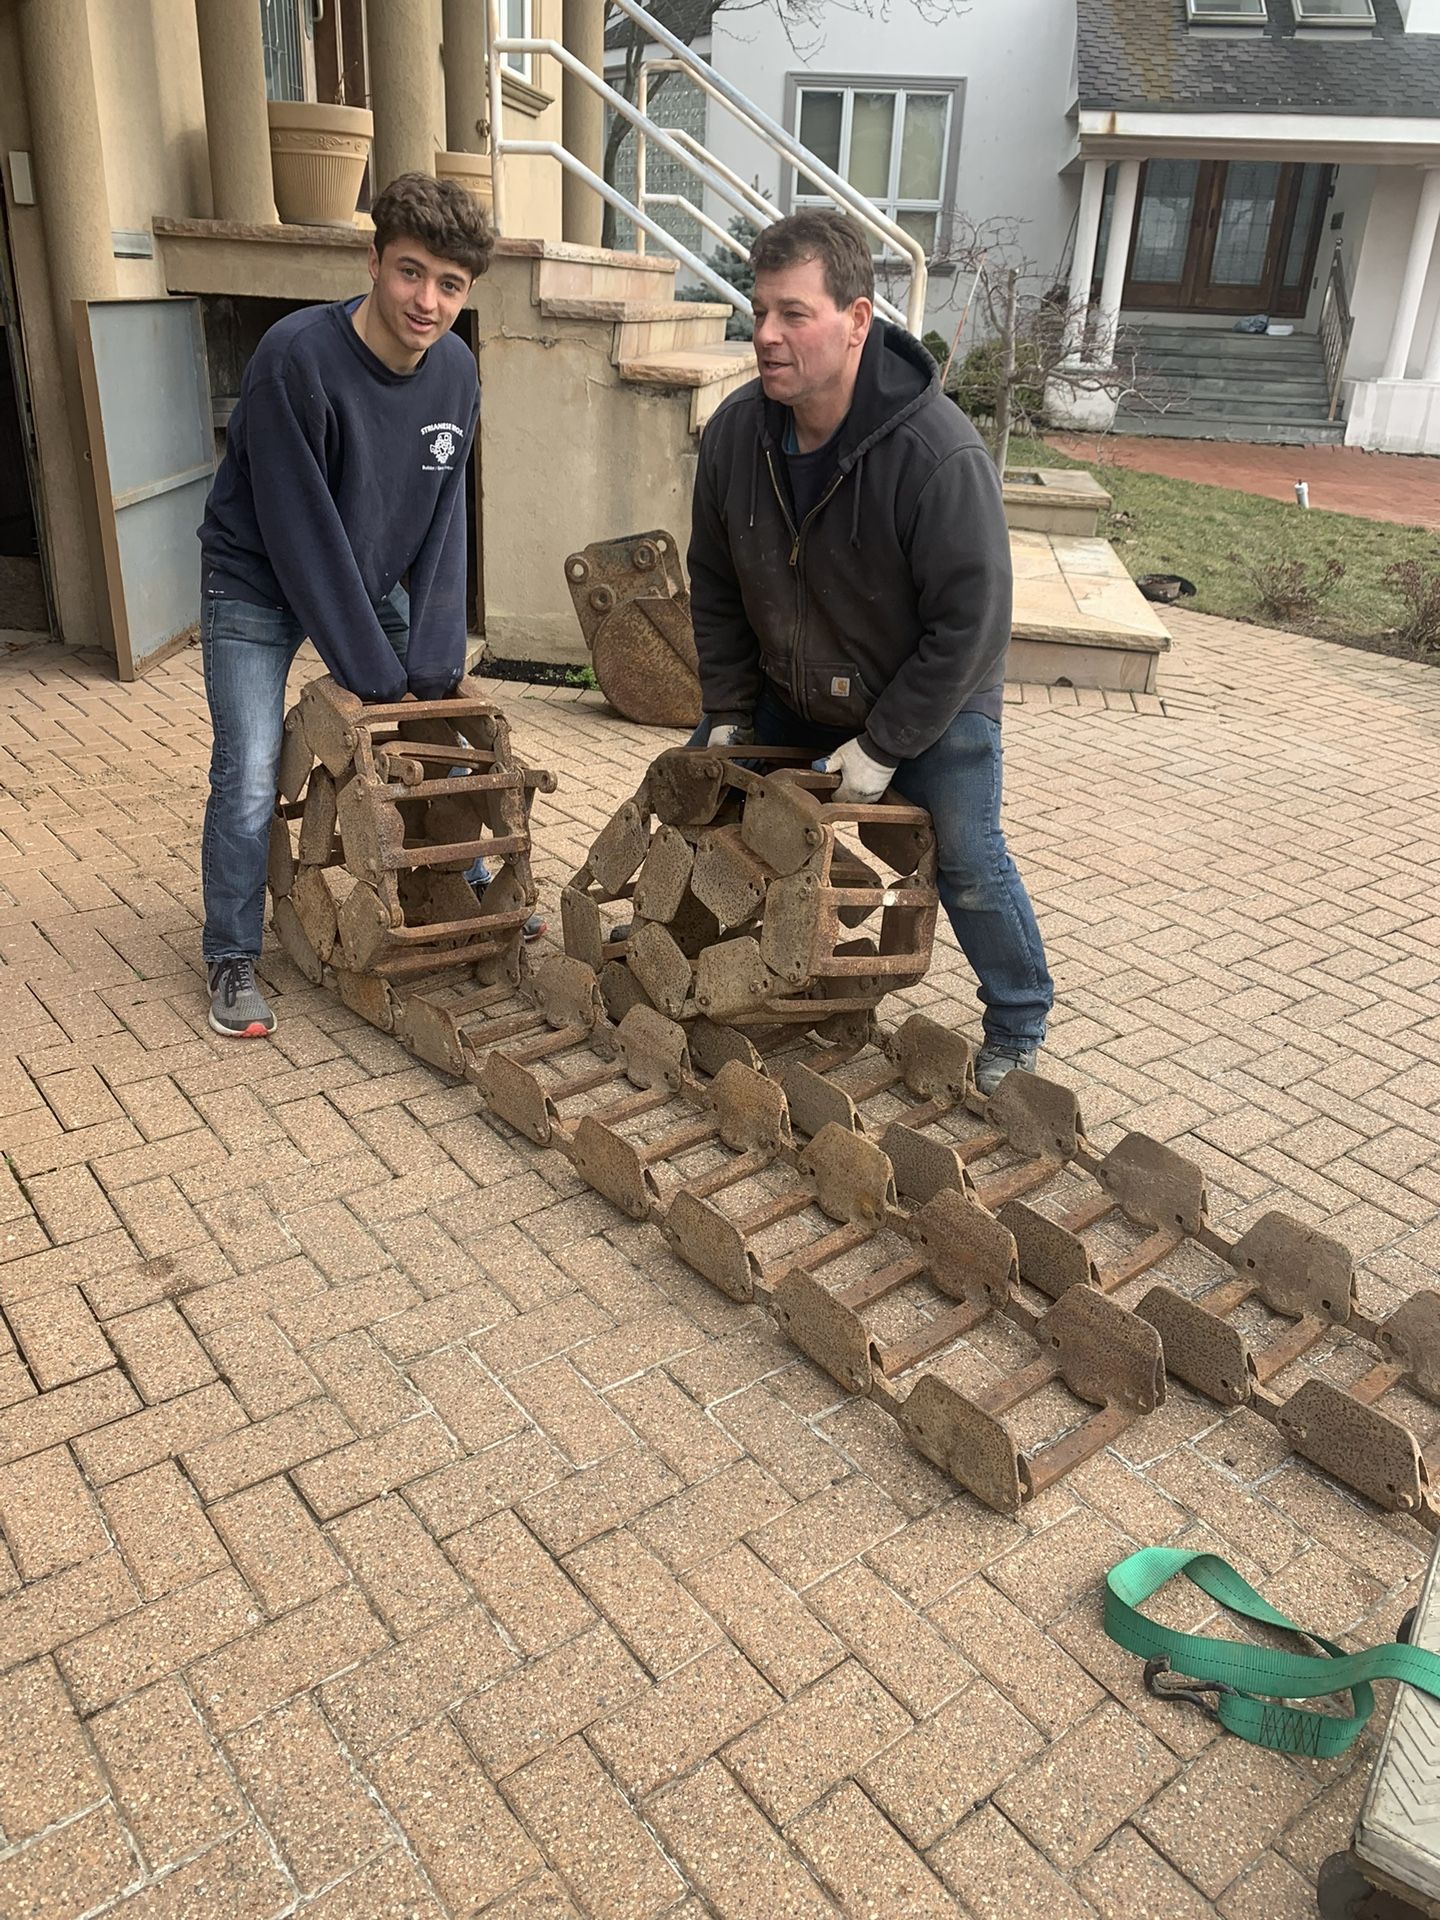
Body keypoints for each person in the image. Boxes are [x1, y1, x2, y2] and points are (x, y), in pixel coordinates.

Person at [686, 209, 1052, 1094]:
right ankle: (752, 981)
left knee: (962, 855)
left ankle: (1018, 1016)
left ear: (857, 320)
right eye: (758, 309)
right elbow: (717, 581)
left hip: (929, 699)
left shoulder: (936, 453)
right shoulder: (739, 435)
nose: (766, 335)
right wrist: (730, 709)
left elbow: (972, 623)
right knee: (731, 820)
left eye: (794, 314)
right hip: (793, 688)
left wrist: (886, 744)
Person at [196, 171, 539, 1041]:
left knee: (439, 731)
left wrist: (431, 669)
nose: (428, 301)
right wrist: (375, 677)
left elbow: (444, 518)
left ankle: (459, 886)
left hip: (362, 571)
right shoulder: (294, 359)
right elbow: (300, 531)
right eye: (411, 273)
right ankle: (230, 955)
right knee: (246, 773)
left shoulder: (456, 371)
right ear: (375, 260)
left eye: (451, 285)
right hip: (258, 578)